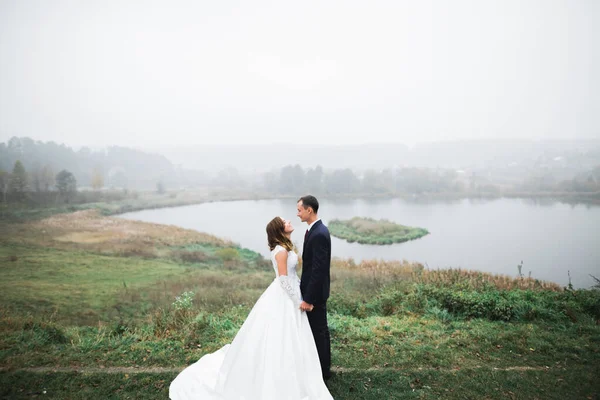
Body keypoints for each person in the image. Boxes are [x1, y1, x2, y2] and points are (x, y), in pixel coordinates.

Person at [169, 216, 333, 400]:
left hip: (293, 291)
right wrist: (298, 301)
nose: (289, 221)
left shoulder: (285, 247)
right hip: (286, 296)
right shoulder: (281, 251)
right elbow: (283, 280)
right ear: (279, 229)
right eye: (285, 222)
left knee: (293, 333)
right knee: (282, 334)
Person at [296, 195, 332, 381]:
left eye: (300, 210)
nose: (297, 213)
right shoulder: (314, 230)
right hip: (315, 291)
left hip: (316, 294)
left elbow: (318, 269)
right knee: (320, 330)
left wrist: (308, 298)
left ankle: (323, 372)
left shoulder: (318, 234)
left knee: (319, 332)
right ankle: (322, 368)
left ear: (309, 210)